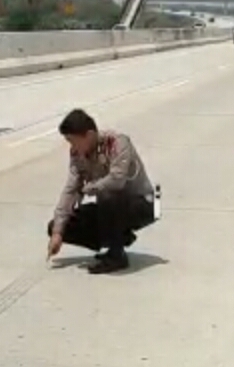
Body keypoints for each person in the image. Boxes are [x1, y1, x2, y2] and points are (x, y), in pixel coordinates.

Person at [46, 108, 156, 274]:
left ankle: (116, 255)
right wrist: (57, 232)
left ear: (89, 135)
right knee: (59, 225)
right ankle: (117, 240)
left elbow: (117, 180)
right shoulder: (78, 154)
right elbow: (70, 190)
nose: (72, 146)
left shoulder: (118, 143)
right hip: (110, 208)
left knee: (108, 193)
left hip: (144, 203)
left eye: (73, 141)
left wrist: (90, 188)